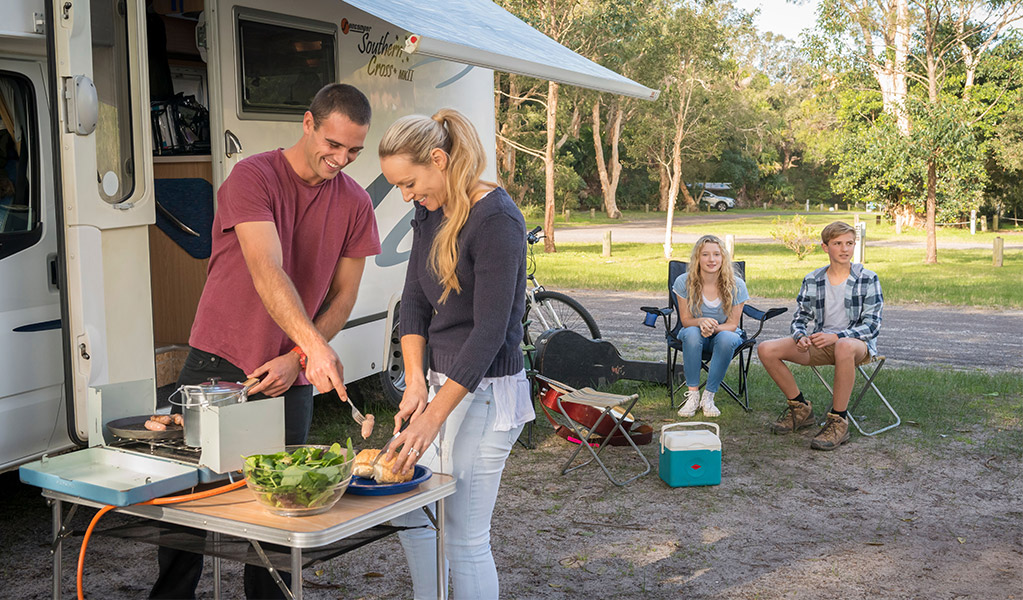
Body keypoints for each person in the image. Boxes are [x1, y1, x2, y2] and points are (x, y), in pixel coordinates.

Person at [150, 83, 381, 599]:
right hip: (219, 356)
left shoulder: (357, 202)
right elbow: (265, 267)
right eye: (333, 144)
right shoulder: (252, 176)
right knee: (193, 499)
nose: (341, 159)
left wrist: (298, 359)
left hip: (288, 374)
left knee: (285, 500)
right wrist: (315, 351)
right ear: (307, 122)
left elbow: (342, 297)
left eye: (354, 151)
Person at [376, 109, 533, 600]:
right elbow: (414, 305)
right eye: (399, 187)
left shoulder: (497, 219)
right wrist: (417, 383)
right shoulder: (429, 210)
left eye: (409, 183)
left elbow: (489, 334)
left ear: (439, 160)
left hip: (487, 393)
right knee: (413, 513)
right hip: (441, 385)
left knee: (463, 537)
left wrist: (431, 419)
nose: (406, 197)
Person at [757, 221, 883, 451]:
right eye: (837, 244)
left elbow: (872, 326)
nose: (844, 249)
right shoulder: (813, 279)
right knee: (766, 348)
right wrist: (800, 336)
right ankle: (800, 409)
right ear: (825, 247)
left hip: (857, 346)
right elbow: (800, 317)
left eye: (849, 243)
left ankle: (838, 420)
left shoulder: (868, 278)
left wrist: (837, 337)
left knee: (844, 345)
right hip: (823, 344)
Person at [672, 234, 749, 418]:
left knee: (727, 338)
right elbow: (685, 320)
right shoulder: (684, 282)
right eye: (705, 254)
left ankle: (708, 397)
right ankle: (692, 395)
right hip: (695, 335)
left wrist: (712, 328)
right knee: (691, 333)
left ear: (723, 258)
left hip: (723, 334)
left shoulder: (736, 285)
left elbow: (731, 325)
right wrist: (701, 322)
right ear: (697, 258)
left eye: (716, 254)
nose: (711, 259)